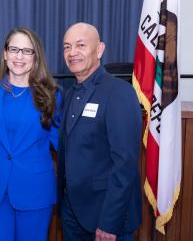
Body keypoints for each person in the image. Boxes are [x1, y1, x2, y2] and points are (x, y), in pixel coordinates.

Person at [57, 22, 142, 241]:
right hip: (72, 214)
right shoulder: (68, 94)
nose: (72, 52)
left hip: (105, 219)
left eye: (80, 45)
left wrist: (109, 223)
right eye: (67, 47)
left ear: (100, 49)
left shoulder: (120, 93)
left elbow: (125, 163)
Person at [0, 27, 61, 241]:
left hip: (35, 191)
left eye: (27, 51)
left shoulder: (52, 95)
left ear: (36, 57)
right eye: (14, 49)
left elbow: (62, 142)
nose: (19, 56)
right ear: (5, 54)